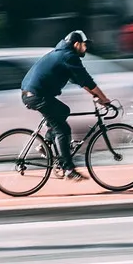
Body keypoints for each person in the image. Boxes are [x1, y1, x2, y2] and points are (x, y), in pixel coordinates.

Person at [21, 30, 113, 182]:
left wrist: (96, 95)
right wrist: (104, 99)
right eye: (84, 45)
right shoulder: (69, 56)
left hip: (33, 94)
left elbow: (80, 81)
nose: (86, 48)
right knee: (63, 129)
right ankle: (69, 168)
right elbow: (87, 80)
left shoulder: (62, 54)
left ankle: (46, 144)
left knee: (64, 111)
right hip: (37, 96)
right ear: (76, 44)